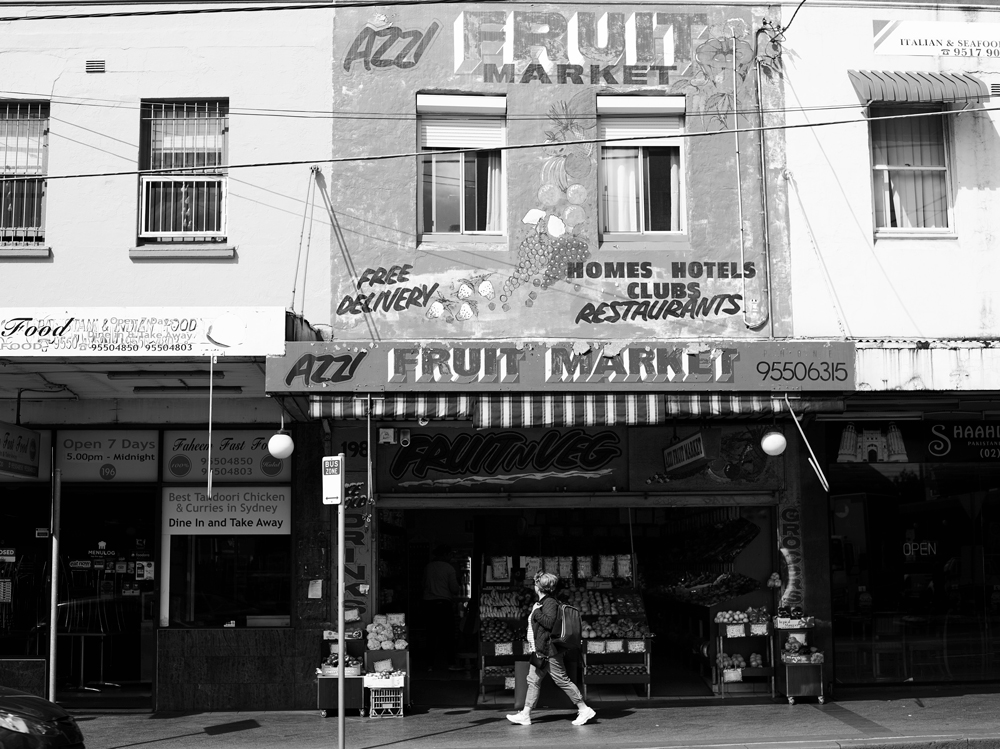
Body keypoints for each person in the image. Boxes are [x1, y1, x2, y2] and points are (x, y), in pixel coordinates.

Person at [506, 571, 595, 727]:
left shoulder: (549, 603)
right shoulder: (545, 602)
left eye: (535, 584)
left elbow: (548, 623)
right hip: (540, 650)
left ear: (538, 587)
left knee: (562, 680)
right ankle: (525, 714)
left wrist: (536, 612)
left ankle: (584, 708)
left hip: (548, 650)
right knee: (533, 680)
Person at [422, 546, 462, 671]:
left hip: (429, 604)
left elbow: (423, 584)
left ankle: (429, 665)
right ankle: (451, 663)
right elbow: (454, 588)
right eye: (450, 554)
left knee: (431, 634)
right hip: (444, 604)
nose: (451, 557)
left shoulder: (428, 567)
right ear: (445, 555)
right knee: (448, 634)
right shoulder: (449, 568)